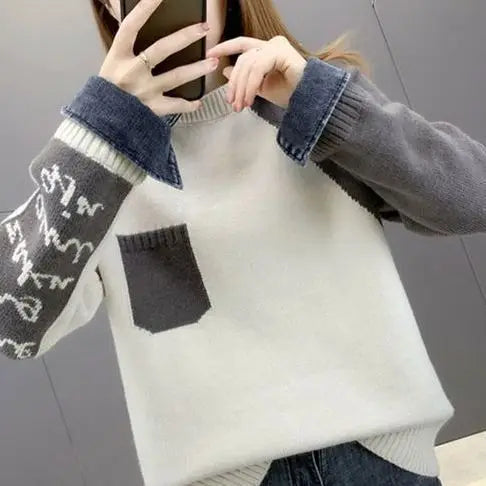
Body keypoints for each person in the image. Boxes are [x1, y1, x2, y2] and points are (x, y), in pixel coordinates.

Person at [1, 0, 485, 484]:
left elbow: (473, 198)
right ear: (109, 8)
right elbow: (12, 323)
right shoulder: (98, 165)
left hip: (382, 460)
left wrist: (321, 101)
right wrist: (104, 127)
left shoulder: (314, 101)